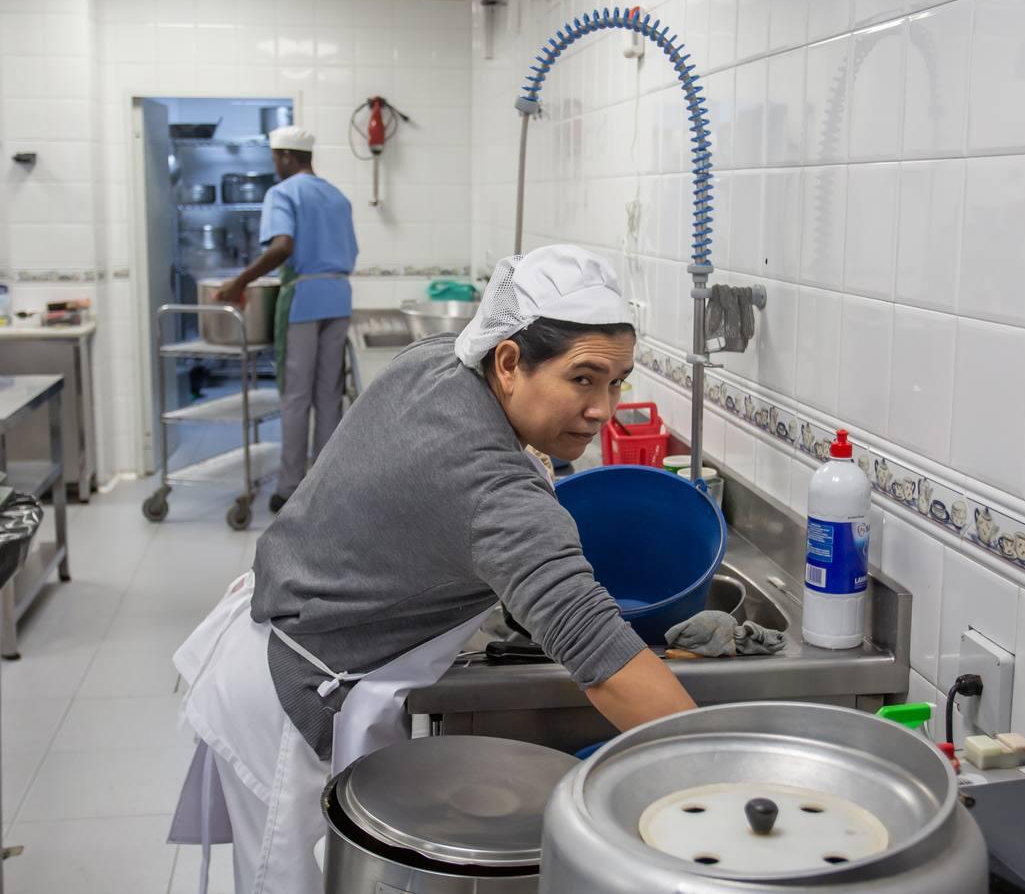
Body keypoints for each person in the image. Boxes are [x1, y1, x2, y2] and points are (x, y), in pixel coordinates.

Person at [169, 245, 698, 894]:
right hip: (288, 698)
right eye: (582, 379)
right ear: (509, 362)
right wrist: (714, 772)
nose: (603, 410)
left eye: (618, 383)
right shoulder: (491, 486)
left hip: (290, 622)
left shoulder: (442, 361)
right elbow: (601, 658)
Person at [213, 125, 357, 513]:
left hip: (304, 300)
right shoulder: (338, 197)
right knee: (329, 395)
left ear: (287, 157)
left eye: (276, 158)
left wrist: (238, 282)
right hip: (339, 298)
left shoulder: (283, 193)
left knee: (296, 396)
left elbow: (283, 246)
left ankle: (290, 487)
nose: (274, 165)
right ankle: (327, 483)